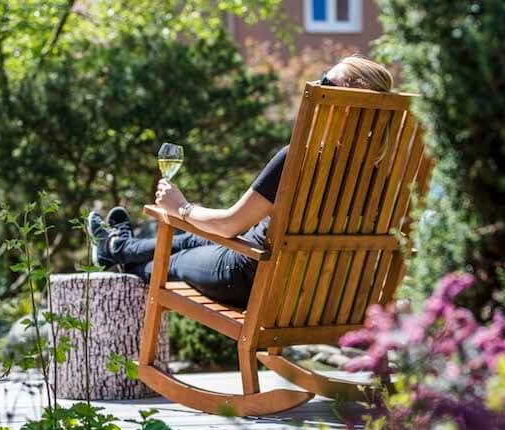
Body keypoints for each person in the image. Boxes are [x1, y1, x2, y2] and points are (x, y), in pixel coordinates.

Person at [89, 55, 394, 309]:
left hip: (249, 275)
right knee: (195, 239)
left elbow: (229, 225)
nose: (317, 85)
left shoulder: (299, 158)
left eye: (326, 82)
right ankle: (118, 246)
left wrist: (180, 207)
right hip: (321, 295)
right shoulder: (385, 176)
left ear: (347, 105)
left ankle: (123, 259)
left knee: (175, 259)